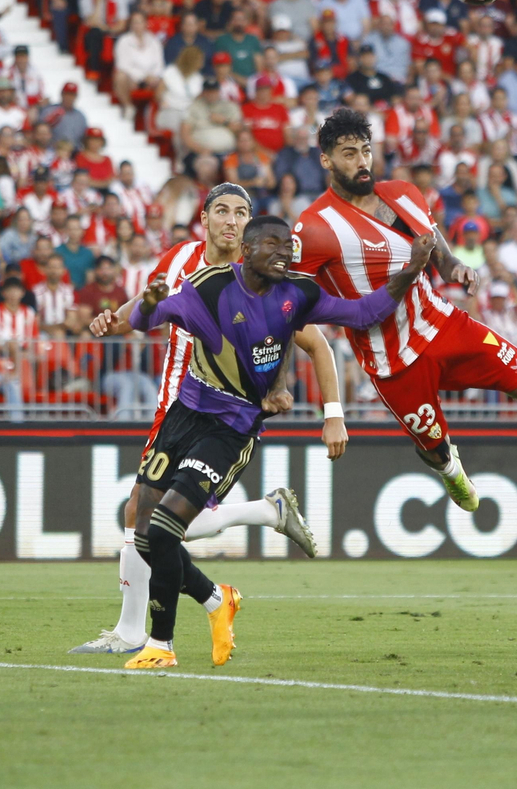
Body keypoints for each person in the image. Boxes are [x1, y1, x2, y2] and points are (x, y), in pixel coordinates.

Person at [121, 214, 434, 670]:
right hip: (183, 416)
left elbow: (364, 313)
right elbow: (139, 320)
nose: (285, 251)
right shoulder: (207, 289)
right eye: (273, 244)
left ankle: (161, 645)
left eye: (288, 244)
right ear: (246, 252)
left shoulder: (299, 293)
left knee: (166, 529)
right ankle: (216, 598)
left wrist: (410, 271)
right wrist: (148, 305)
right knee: (146, 536)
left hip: (230, 428)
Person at [68, 182, 340, 655]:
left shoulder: (260, 275)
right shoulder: (180, 260)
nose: (231, 221)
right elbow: (147, 301)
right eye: (222, 211)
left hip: (225, 416)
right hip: (175, 405)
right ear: (206, 218)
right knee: (145, 514)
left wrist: (288, 391)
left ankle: (143, 629)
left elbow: (307, 340)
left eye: (241, 213)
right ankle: (252, 534)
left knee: (153, 517)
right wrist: (117, 317)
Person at [292, 109, 517, 515]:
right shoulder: (314, 227)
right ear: (326, 160)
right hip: (391, 360)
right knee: (435, 448)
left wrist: (455, 267)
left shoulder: (404, 192)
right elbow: (290, 304)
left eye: (366, 150)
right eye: (349, 153)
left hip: (442, 323)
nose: (361, 161)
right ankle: (452, 469)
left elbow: (435, 244)